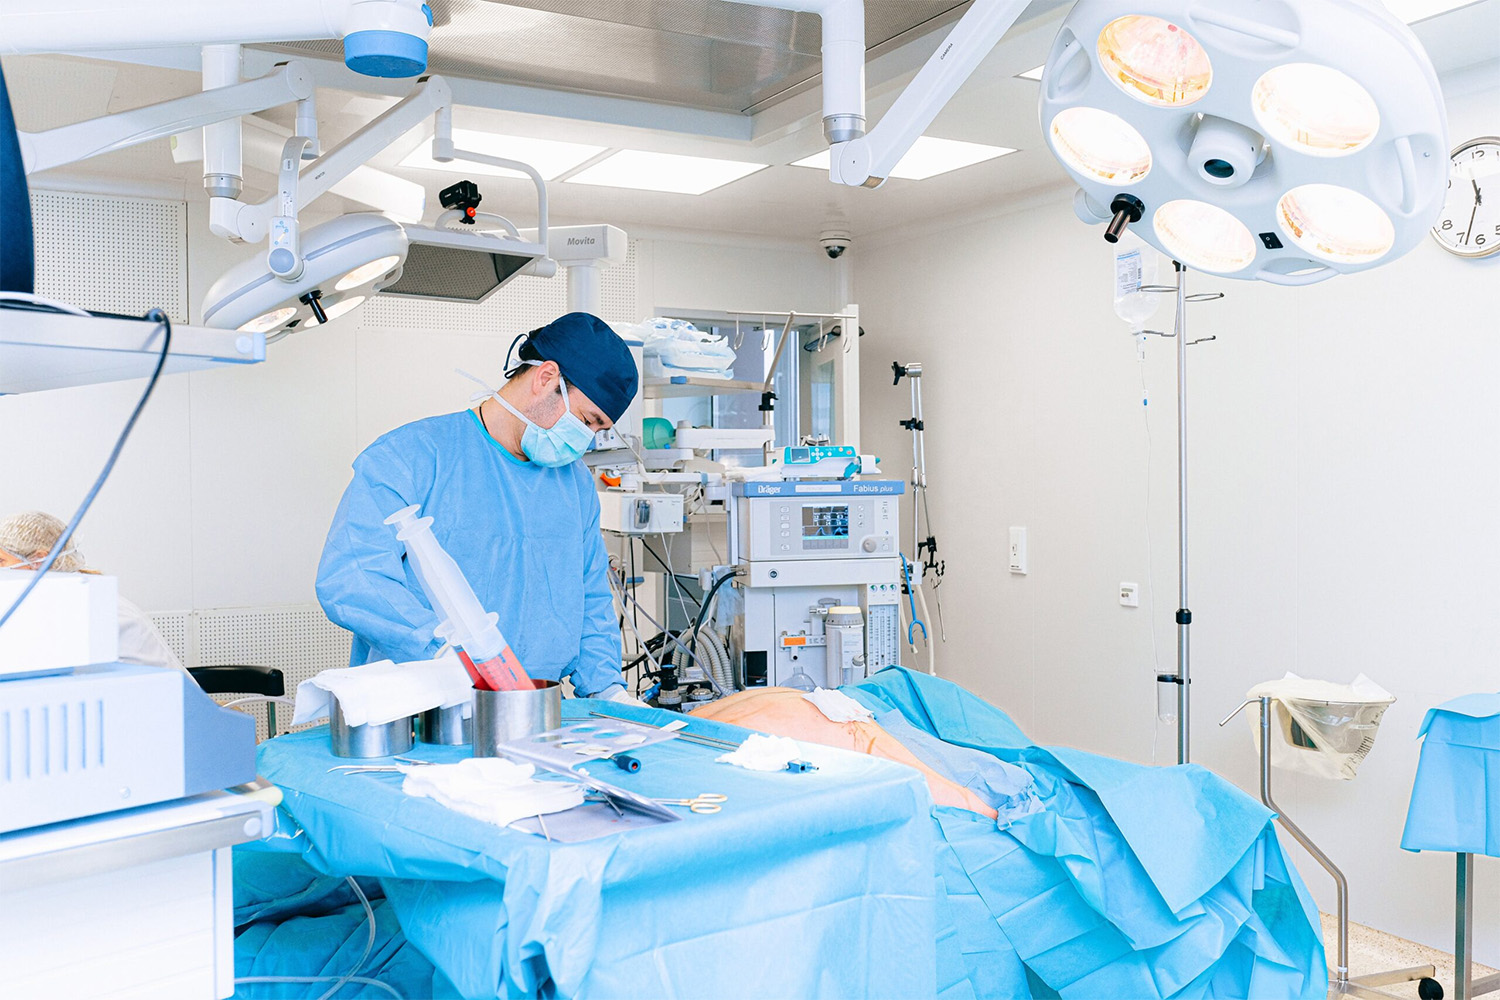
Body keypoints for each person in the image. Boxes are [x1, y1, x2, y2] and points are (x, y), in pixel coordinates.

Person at [316, 312, 639, 701]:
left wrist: (608, 690)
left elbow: (591, 598)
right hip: (424, 706)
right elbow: (353, 580)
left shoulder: (575, 486)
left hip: (532, 708)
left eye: (599, 431)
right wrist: (441, 657)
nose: (586, 441)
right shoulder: (411, 456)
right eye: (588, 421)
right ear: (546, 378)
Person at [0, 510, 187, 673]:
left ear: (39, 561)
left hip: (169, 706)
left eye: (1, 561)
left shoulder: (88, 606)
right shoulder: (59, 597)